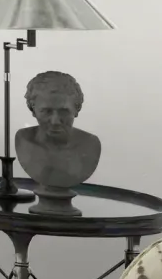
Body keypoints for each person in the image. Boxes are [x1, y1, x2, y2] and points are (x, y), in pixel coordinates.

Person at [15, 70, 100, 211]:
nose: (55, 121)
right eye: (46, 111)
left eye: (64, 111)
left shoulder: (90, 145)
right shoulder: (23, 141)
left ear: (76, 109)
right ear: (33, 110)